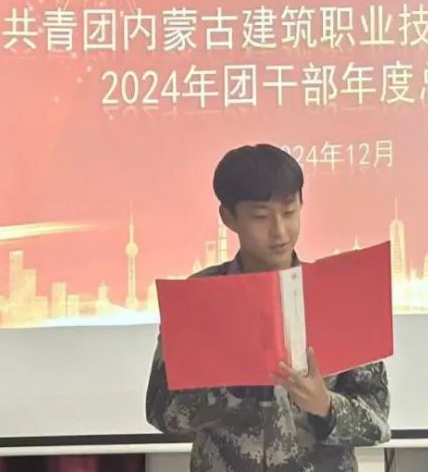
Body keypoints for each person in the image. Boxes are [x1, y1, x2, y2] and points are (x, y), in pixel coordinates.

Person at [146, 144, 391, 471]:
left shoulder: (338, 294)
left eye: (289, 212)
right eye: (261, 217)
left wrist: (325, 406)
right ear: (228, 217)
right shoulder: (200, 297)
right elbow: (161, 412)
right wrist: (230, 392)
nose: (279, 231)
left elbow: (378, 421)